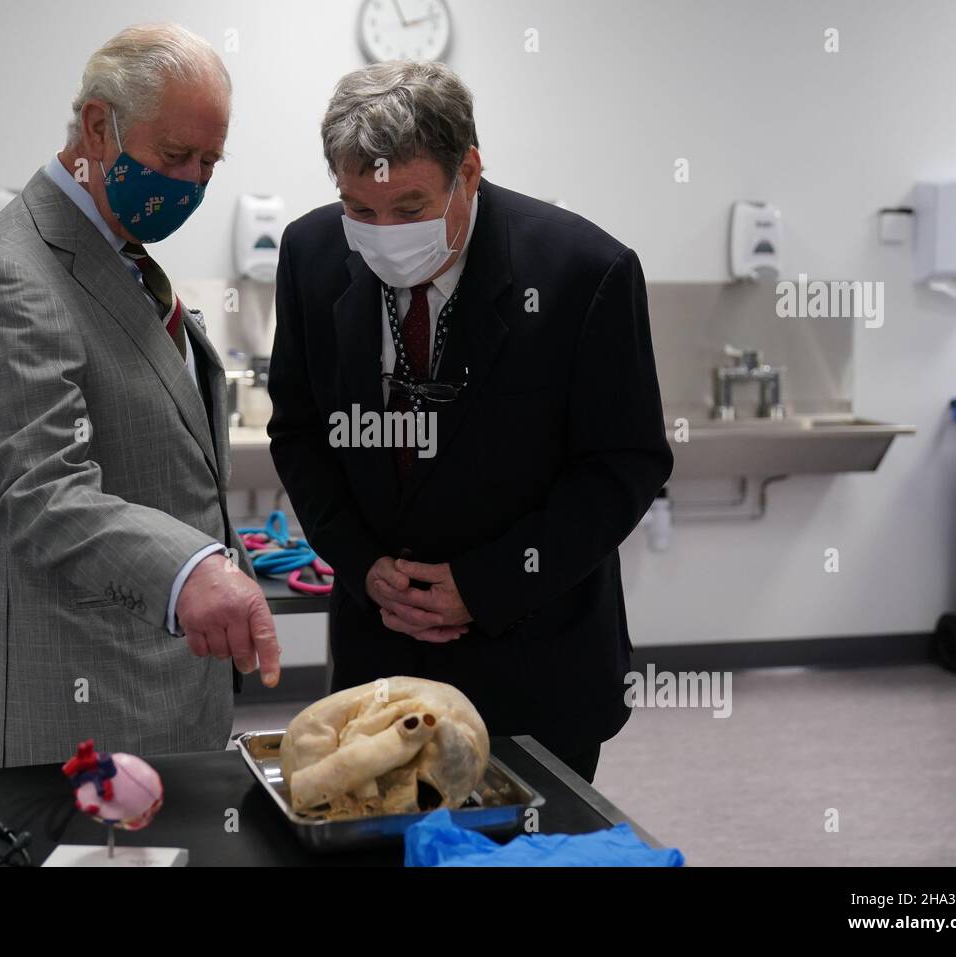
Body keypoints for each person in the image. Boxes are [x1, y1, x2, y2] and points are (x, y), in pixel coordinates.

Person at [267, 61, 672, 781]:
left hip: (534, 663)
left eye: (411, 207)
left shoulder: (584, 272)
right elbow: (299, 431)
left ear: (470, 171)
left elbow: (624, 463)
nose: (383, 233)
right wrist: (360, 563)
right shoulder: (311, 254)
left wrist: (487, 583)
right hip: (378, 658)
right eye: (360, 208)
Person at [0, 23, 279, 768]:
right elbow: (36, 492)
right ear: (98, 125)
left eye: (208, 163)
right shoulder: (7, 275)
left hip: (177, 685)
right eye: (174, 156)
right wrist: (190, 569)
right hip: (90, 700)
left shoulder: (118, 256)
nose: (189, 182)